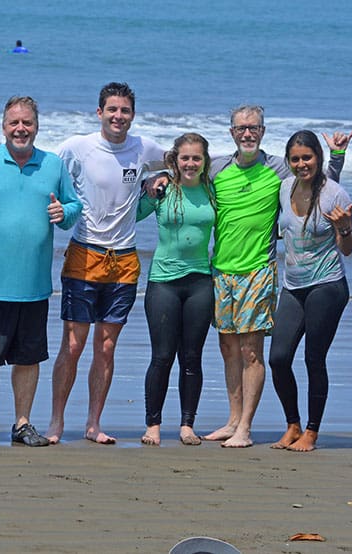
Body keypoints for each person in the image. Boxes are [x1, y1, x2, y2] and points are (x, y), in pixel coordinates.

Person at [200, 105, 352, 447]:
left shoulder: (278, 169)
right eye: (241, 128)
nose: (248, 133)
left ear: (263, 131)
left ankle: (253, 429)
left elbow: (322, 184)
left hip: (265, 271)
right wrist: (156, 180)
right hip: (225, 271)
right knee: (233, 349)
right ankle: (236, 421)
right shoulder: (218, 168)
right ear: (231, 132)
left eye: (254, 127)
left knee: (258, 352)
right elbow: (187, 171)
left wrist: (338, 156)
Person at [0, 96, 82, 448]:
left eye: (27, 122)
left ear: (37, 126)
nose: (20, 128)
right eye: (14, 122)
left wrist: (65, 212)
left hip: (33, 285)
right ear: (2, 127)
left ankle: (22, 423)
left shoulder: (53, 165)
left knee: (29, 358)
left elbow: (74, 207)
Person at [48, 82, 165, 444]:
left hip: (125, 260)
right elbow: (41, 166)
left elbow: (178, 166)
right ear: (99, 112)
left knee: (107, 347)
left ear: (133, 115)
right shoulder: (77, 147)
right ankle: (56, 421)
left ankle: (93, 424)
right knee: (72, 345)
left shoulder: (145, 147)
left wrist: (156, 183)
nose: (118, 116)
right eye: (112, 110)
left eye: (125, 111)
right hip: (84, 253)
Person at [268, 130, 352, 452]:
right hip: (292, 286)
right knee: (278, 358)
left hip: (327, 286)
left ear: (317, 158)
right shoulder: (283, 188)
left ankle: (312, 431)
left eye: (307, 157)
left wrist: (344, 227)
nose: (302, 164)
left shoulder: (336, 195)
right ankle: (292, 424)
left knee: (313, 359)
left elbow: (347, 249)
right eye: (295, 159)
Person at [136, 133, 215, 446]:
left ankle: (186, 425)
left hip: (200, 282)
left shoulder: (213, 190)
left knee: (192, 357)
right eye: (185, 158)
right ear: (175, 160)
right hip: (163, 282)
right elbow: (134, 213)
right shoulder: (163, 188)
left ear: (205, 161)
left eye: (197, 158)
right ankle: (153, 424)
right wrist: (148, 185)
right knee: (163, 356)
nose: (191, 163)